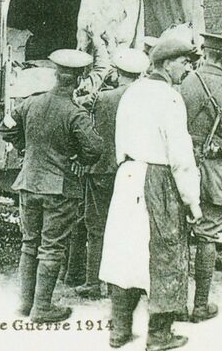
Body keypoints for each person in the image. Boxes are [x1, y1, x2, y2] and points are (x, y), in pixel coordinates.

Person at [99, 37, 203, 350]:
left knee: (126, 251)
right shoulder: (170, 97)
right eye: (184, 62)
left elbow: (119, 140)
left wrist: (129, 168)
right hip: (158, 178)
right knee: (166, 254)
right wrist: (192, 201)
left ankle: (119, 330)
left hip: (128, 175)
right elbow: (181, 157)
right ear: (166, 62)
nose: (188, 67)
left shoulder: (131, 93)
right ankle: (159, 336)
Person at [1, 49, 104, 323]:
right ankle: (42, 307)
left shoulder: (31, 103)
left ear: (55, 75)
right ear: (80, 79)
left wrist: (27, 148)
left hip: (28, 182)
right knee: (51, 248)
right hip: (58, 189)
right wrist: (77, 159)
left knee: (29, 243)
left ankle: (25, 303)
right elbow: (95, 148)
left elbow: (7, 127)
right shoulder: (75, 113)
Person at [179, 32, 222, 322]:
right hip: (216, 174)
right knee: (207, 238)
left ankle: (176, 304)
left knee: (178, 235)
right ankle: (200, 306)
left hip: (182, 168)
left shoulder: (185, 83)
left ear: (204, 53)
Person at [75, 48, 150, 299]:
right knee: (131, 227)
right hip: (133, 171)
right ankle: (125, 284)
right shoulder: (144, 98)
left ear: (117, 73)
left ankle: (93, 283)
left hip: (102, 170)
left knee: (96, 226)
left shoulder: (104, 98)